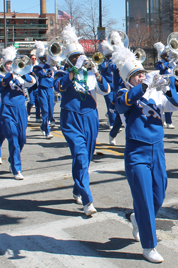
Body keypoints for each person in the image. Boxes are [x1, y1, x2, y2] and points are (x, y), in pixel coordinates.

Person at [113, 45, 178, 264]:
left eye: (143, 73)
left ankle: (137, 218)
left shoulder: (155, 93)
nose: (142, 76)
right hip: (136, 152)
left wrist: (169, 87)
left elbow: (177, 105)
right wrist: (144, 84)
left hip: (157, 149)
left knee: (159, 196)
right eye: (137, 75)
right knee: (143, 198)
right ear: (128, 79)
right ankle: (149, 245)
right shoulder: (124, 93)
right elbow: (124, 106)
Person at [54, 24, 109, 216]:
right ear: (68, 60)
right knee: (80, 156)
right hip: (71, 120)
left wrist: (97, 73)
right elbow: (60, 87)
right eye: (75, 58)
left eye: (80, 56)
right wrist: (73, 72)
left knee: (86, 158)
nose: (79, 60)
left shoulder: (91, 74)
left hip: (90, 118)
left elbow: (105, 90)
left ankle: (77, 188)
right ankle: (88, 200)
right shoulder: (62, 73)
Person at [0, 45, 36, 180]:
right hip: (7, 109)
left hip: (21, 109)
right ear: (4, 64)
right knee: (13, 138)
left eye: (11, 63)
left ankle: (13, 160)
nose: (10, 66)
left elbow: (32, 81)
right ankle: (17, 169)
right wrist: (10, 75)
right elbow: (0, 84)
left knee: (22, 139)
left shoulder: (22, 75)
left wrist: (22, 72)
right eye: (8, 63)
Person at [33, 41, 56, 139]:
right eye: (43, 57)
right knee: (45, 111)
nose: (45, 59)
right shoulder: (36, 67)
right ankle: (47, 131)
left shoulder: (51, 66)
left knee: (51, 111)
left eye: (46, 57)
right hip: (42, 90)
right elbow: (41, 74)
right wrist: (47, 64)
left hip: (50, 89)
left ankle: (43, 126)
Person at [154, 41, 178, 129]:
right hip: (164, 86)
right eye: (164, 55)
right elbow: (161, 68)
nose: (167, 56)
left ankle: (164, 118)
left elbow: (177, 71)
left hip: (172, 84)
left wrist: (177, 62)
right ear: (160, 56)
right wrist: (168, 61)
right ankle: (168, 122)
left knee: (174, 102)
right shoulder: (159, 63)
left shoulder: (171, 63)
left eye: (167, 54)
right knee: (167, 102)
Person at [98, 39, 115, 128]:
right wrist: (108, 61)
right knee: (110, 103)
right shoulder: (103, 62)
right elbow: (102, 67)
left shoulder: (114, 61)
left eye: (111, 55)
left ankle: (111, 118)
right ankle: (112, 123)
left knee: (116, 104)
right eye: (108, 56)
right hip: (107, 86)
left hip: (116, 85)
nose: (110, 57)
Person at [27, 50, 40, 122]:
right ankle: (28, 112)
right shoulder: (28, 66)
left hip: (37, 85)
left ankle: (38, 117)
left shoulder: (38, 65)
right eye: (32, 59)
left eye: (35, 58)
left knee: (38, 101)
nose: (34, 60)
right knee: (32, 101)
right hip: (30, 86)